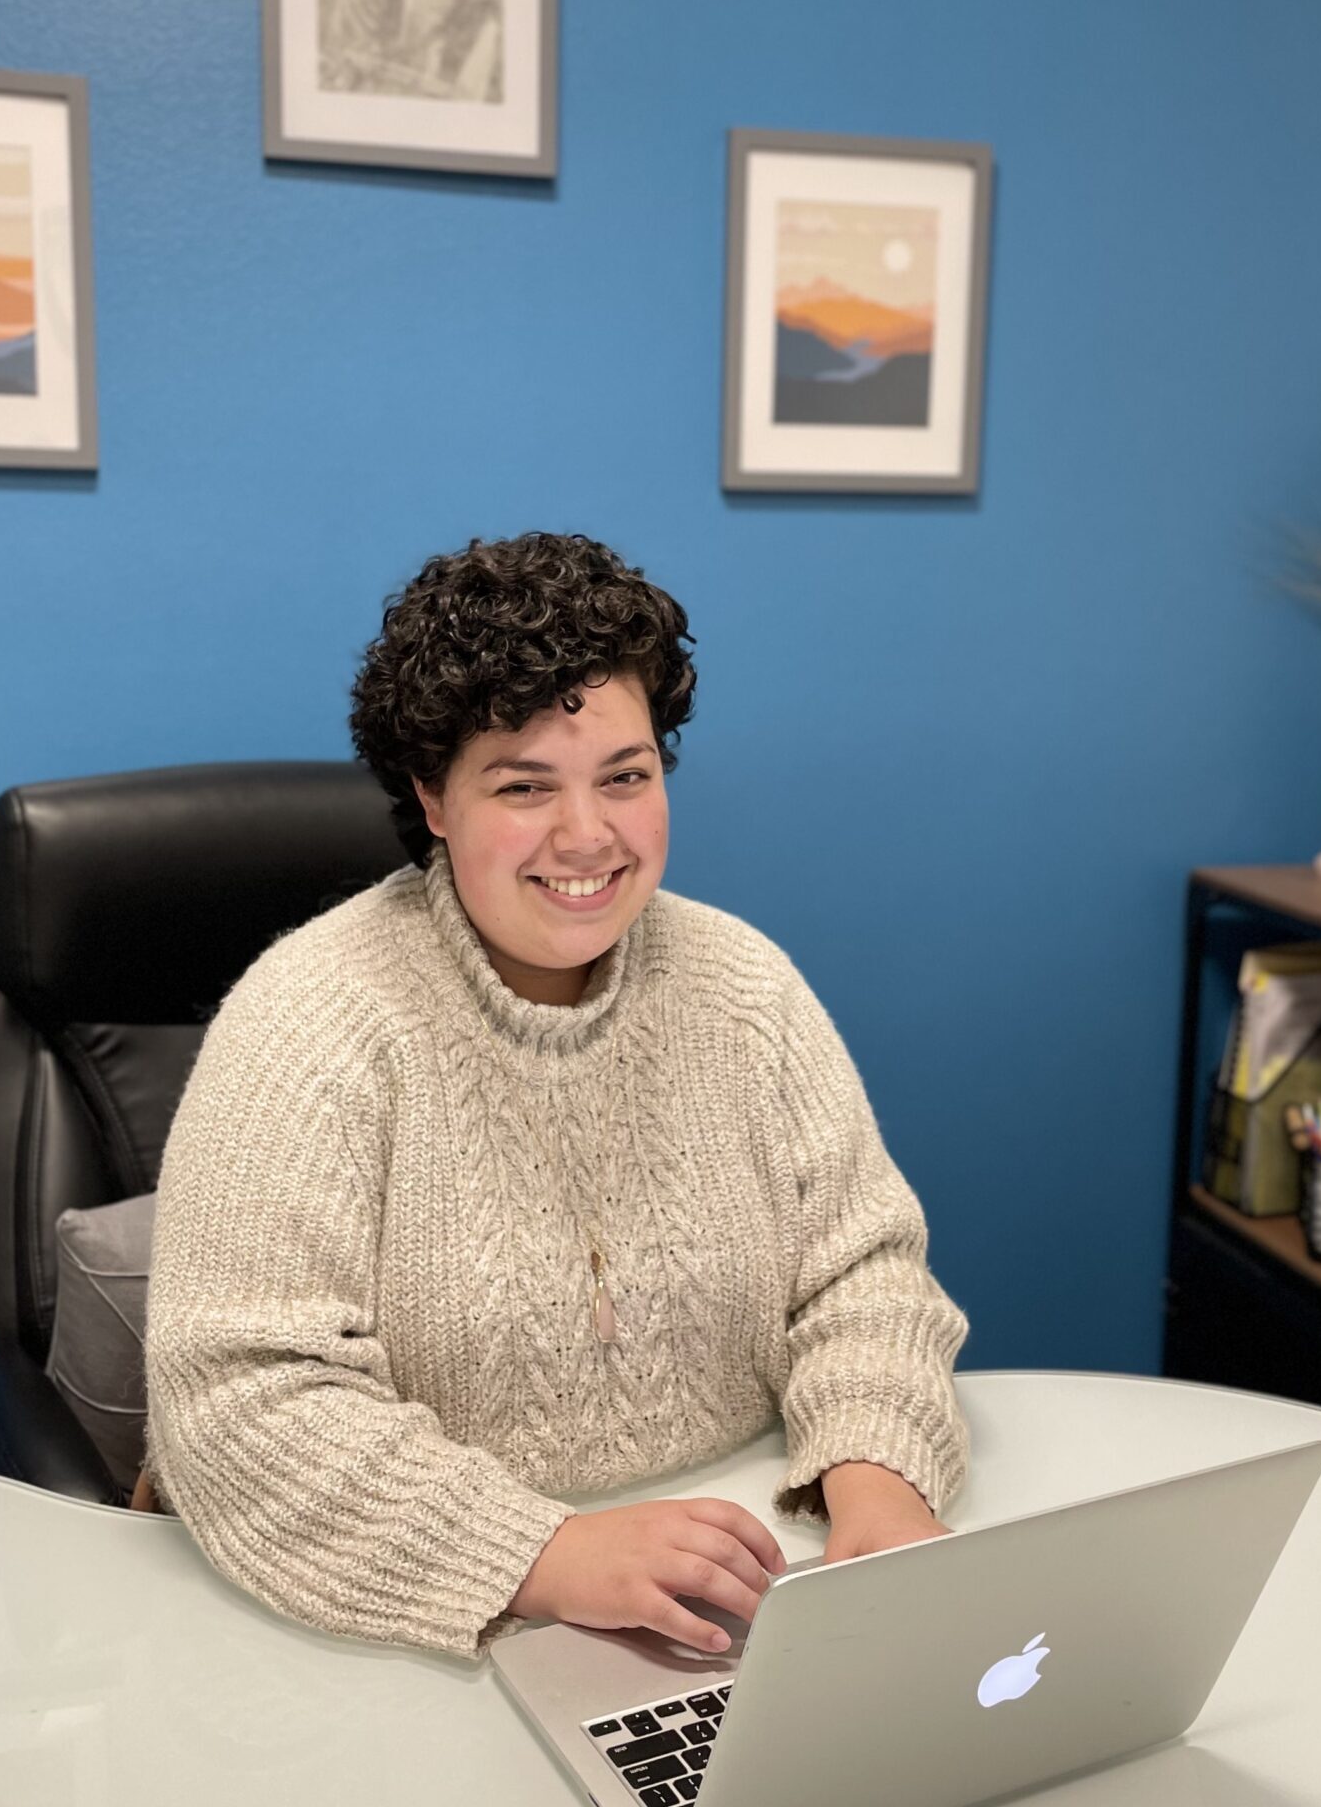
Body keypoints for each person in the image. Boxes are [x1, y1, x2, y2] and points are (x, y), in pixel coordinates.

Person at [144, 532, 968, 1660]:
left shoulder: (745, 988)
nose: (588, 837)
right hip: (404, 1630)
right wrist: (544, 1555)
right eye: (524, 787)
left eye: (625, 777)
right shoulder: (310, 1021)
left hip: (737, 1597)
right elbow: (242, 1402)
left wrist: (876, 1483)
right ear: (433, 798)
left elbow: (863, 1274)